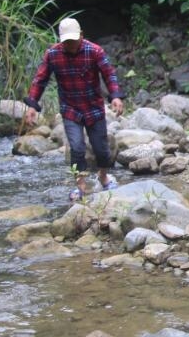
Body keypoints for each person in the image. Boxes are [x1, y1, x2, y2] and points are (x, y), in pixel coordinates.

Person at [23, 17, 124, 201]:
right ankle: (81, 187)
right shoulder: (53, 54)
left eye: (73, 40)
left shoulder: (94, 51)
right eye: (66, 41)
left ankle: (103, 177)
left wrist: (115, 96)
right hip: (70, 109)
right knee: (77, 148)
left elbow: (109, 74)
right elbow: (40, 80)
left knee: (101, 148)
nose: (70, 45)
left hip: (93, 107)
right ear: (61, 39)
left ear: (81, 36)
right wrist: (32, 105)